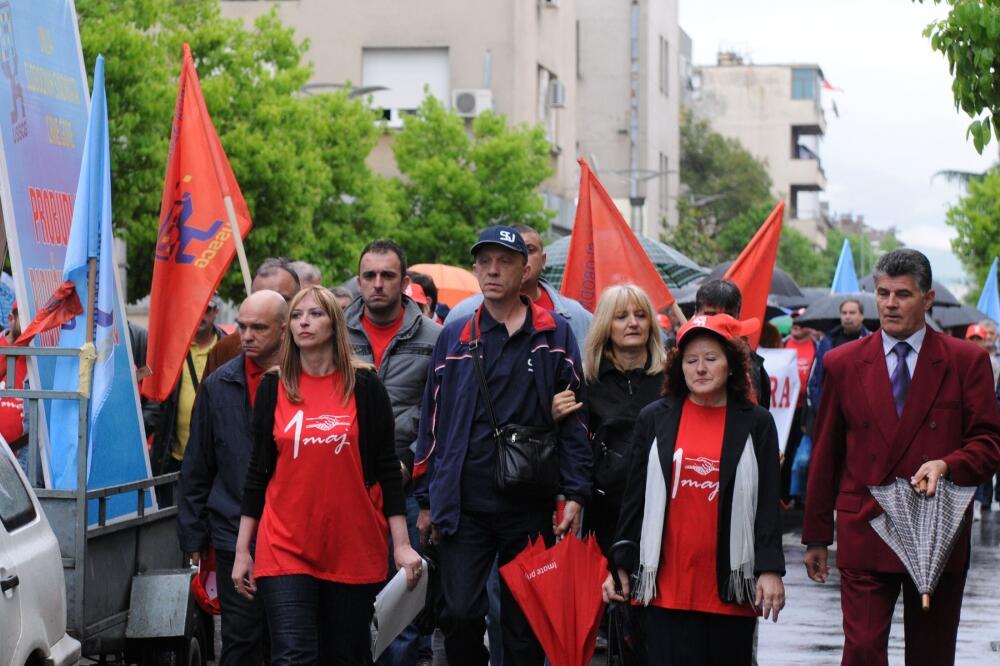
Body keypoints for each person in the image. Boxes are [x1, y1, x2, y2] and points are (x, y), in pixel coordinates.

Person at [802, 249, 1000, 666]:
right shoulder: (842, 363)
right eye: (883, 293)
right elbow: (826, 453)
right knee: (860, 651)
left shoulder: (967, 362)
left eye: (903, 294)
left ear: (927, 299)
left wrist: (948, 464)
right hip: (865, 526)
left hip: (936, 534)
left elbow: (988, 444)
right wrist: (817, 536)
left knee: (931, 655)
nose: (890, 304)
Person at [413, 225, 592, 666]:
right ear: (475, 268)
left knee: (524, 624)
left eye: (505, 261)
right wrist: (426, 497)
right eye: (485, 262)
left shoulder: (555, 334)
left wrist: (575, 491)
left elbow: (575, 420)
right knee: (459, 614)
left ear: (524, 268)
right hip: (464, 503)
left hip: (529, 499)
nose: (493, 271)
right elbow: (430, 421)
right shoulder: (455, 334)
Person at [232, 286, 422, 665]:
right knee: (293, 655)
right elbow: (258, 473)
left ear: (335, 325)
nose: (305, 321)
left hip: (353, 543)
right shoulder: (274, 387)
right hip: (284, 543)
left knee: (347, 656)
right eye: (299, 315)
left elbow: (387, 469)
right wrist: (242, 550)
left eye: (316, 314)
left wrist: (401, 544)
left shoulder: (365, 386)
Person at [603, 313, 785, 666]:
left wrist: (770, 569)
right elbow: (634, 498)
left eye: (711, 359)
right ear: (679, 367)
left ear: (731, 366)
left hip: (729, 590)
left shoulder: (756, 422)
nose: (700, 368)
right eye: (691, 360)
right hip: (665, 589)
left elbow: (766, 504)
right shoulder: (655, 417)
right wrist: (620, 563)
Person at [344, 239, 442, 666]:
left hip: (407, 489)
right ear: (359, 281)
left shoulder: (436, 338)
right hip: (344, 487)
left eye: (388, 276)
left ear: (404, 282)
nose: (378, 284)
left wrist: (411, 465)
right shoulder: (336, 332)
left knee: (399, 608)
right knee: (346, 605)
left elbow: (443, 414)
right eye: (369, 276)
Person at [178, 290, 288, 665]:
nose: (246, 335)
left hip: (290, 535)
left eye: (258, 327)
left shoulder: (305, 381)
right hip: (231, 532)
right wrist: (193, 534)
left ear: (284, 330)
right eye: (242, 325)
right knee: (240, 639)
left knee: (286, 639)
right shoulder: (218, 384)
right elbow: (198, 463)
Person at [552, 284, 666, 555]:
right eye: (621, 316)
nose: (633, 323)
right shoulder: (585, 380)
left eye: (640, 315)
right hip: (603, 511)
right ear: (606, 324)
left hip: (659, 507)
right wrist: (553, 417)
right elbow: (572, 446)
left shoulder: (672, 379)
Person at [445, 223, 592, 346]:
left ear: (543, 261)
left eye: (529, 250)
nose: (494, 270)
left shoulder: (575, 316)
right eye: (486, 260)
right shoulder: (462, 313)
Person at [144, 297, 226, 505]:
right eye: (195, 307)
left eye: (206, 309)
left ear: (216, 312)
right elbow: (156, 402)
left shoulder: (229, 349)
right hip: (173, 458)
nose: (201, 314)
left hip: (216, 461)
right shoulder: (172, 349)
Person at [203, 257, 301, 378]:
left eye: (281, 298)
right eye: (259, 297)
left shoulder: (315, 350)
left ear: (299, 300)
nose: (268, 307)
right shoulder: (226, 350)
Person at [694, 279, 771, 407]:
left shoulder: (751, 364)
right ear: (696, 313)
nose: (718, 323)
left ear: (737, 317)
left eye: (726, 317)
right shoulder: (673, 353)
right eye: (711, 315)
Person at [806, 297, 869, 418]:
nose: (847, 316)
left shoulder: (871, 342)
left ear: (861, 316)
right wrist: (820, 409)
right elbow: (814, 379)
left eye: (852, 313)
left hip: (860, 416)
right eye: (844, 313)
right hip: (829, 412)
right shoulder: (827, 342)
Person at [965, 322, 1000, 520]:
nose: (977, 342)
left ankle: (981, 501)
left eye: (980, 338)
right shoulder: (959, 359)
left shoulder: (993, 363)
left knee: (983, 457)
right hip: (966, 416)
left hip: (985, 412)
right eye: (973, 339)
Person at [783, 310, 817, 507]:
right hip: (783, 411)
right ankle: (784, 496)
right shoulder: (782, 344)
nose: (797, 324)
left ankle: (802, 497)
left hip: (805, 412)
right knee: (784, 454)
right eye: (795, 320)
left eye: (802, 321)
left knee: (803, 455)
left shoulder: (817, 346)